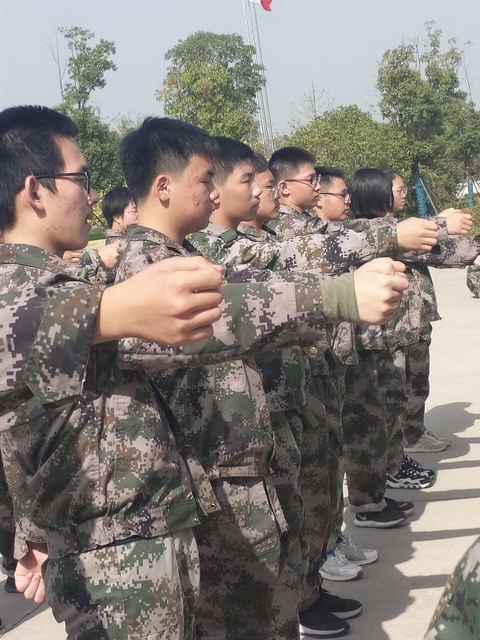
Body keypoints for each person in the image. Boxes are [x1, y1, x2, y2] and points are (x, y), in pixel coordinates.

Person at [116, 123, 410, 640]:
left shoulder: (181, 255)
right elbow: (230, 312)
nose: (213, 193)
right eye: (204, 180)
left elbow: (266, 282)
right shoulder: (145, 267)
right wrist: (339, 297)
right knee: (244, 615)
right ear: (163, 187)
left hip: (239, 469)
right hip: (213, 485)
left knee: (271, 603)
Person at [0, 105, 234, 640]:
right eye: (81, 179)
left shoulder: (63, 284)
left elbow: (25, 431)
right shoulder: (18, 297)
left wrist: (30, 531)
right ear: (35, 190)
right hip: (111, 565)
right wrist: (338, 298)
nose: (92, 195)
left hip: (137, 541)